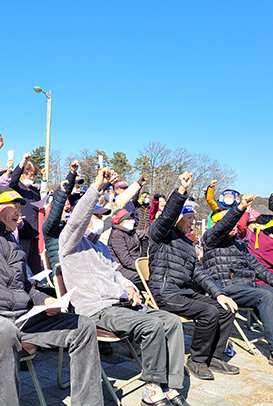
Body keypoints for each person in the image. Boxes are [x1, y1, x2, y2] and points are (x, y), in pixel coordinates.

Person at [0, 132, 103, 406]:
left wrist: (44, 300)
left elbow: (24, 287)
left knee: (83, 326)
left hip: (19, 318)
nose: (20, 212)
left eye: (21, 206)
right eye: (14, 205)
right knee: (2, 331)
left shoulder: (14, 245)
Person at [60, 166, 189, 406]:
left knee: (170, 321)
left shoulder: (101, 246)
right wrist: (97, 187)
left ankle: (169, 385)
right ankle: (151, 390)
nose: (101, 221)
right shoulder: (69, 244)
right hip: (97, 309)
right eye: (97, 216)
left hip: (120, 303)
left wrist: (131, 288)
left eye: (102, 216)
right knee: (151, 325)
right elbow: (77, 219)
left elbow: (117, 273)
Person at [202, 201, 273, 375]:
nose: (233, 226)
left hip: (249, 286)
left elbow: (257, 267)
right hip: (226, 287)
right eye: (229, 222)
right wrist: (239, 209)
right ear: (218, 224)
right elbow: (220, 229)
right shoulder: (210, 238)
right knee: (265, 296)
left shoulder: (238, 242)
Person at [149, 172, 239, 381]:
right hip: (166, 293)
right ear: (179, 218)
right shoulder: (161, 234)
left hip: (184, 292)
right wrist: (181, 191)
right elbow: (167, 216)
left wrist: (219, 294)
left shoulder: (189, 244)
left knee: (225, 308)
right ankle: (197, 360)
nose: (193, 222)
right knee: (208, 312)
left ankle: (214, 356)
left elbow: (199, 272)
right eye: (190, 218)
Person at [9, 152, 42, 274]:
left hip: (35, 232)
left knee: (35, 266)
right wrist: (22, 163)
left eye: (34, 176)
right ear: (23, 174)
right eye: (30, 175)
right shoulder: (17, 186)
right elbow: (12, 180)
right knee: (22, 264)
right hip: (23, 231)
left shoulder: (34, 190)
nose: (32, 178)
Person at [42, 160, 79, 268]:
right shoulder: (50, 230)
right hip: (62, 275)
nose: (70, 213)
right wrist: (62, 193)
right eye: (66, 211)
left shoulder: (71, 229)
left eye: (70, 210)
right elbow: (54, 215)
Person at [107, 209, 149, 290]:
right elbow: (126, 260)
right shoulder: (117, 235)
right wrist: (142, 268)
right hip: (125, 272)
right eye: (128, 219)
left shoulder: (132, 232)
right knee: (153, 282)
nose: (132, 221)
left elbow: (146, 233)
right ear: (120, 222)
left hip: (136, 269)